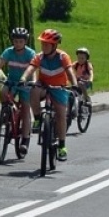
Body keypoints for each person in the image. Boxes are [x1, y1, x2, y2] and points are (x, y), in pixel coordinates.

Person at [31, 28, 75, 160]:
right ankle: (37, 119)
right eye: (42, 44)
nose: (43, 46)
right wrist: (23, 79)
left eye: (46, 44)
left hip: (59, 88)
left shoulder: (63, 57)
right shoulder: (40, 56)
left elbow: (69, 71)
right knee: (33, 90)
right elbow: (31, 68)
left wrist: (75, 84)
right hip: (43, 86)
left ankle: (62, 146)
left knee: (61, 115)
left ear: (54, 46)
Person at [0, 26, 37, 143]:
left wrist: (33, 81)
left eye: (20, 41)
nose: (18, 44)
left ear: (25, 42)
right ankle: (7, 111)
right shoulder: (9, 52)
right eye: (15, 41)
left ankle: (25, 139)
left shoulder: (30, 53)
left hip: (25, 84)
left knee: (25, 109)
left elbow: (33, 69)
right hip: (11, 81)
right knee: (2, 92)